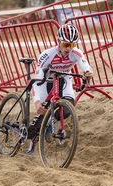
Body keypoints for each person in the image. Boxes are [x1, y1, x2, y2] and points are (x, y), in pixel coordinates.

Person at [26, 24, 93, 155]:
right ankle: (32, 141)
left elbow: (86, 67)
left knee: (68, 109)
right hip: (46, 81)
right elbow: (36, 80)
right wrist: (37, 101)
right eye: (66, 44)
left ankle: (49, 123)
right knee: (42, 110)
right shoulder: (46, 55)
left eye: (72, 45)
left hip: (64, 79)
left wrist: (87, 73)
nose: (69, 48)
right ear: (59, 42)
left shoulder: (76, 53)